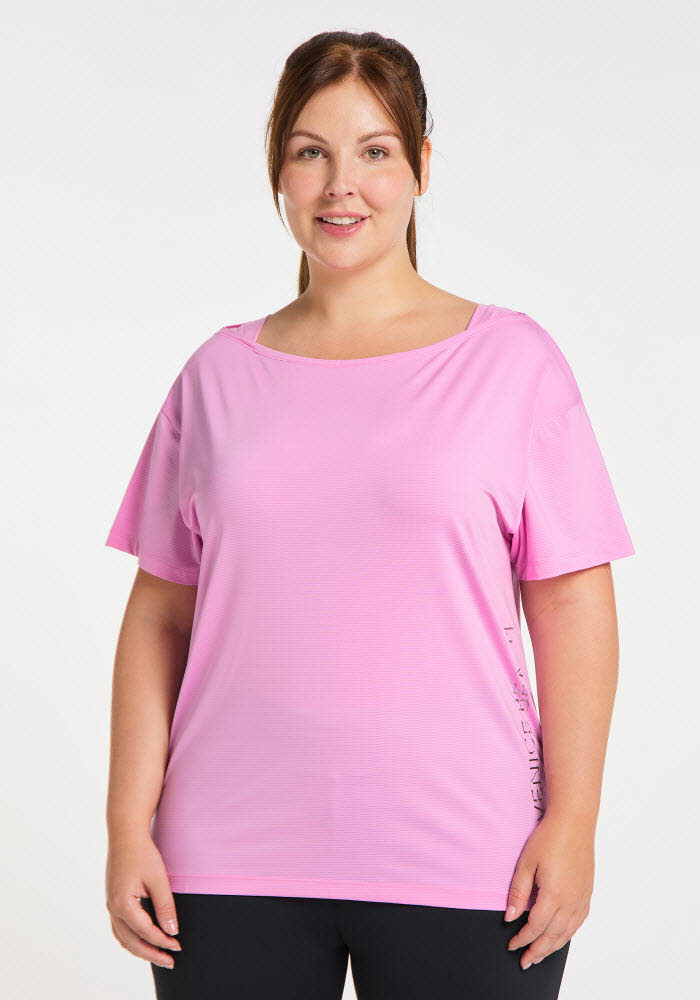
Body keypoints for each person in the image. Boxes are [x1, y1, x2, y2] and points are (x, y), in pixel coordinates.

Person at [104, 30, 635, 1000]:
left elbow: (571, 604)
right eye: (310, 151)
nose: (340, 184)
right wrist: (125, 826)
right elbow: (160, 613)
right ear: (278, 171)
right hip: (225, 858)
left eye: (374, 150)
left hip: (473, 858)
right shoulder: (216, 377)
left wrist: (574, 822)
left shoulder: (511, 363)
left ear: (422, 165)